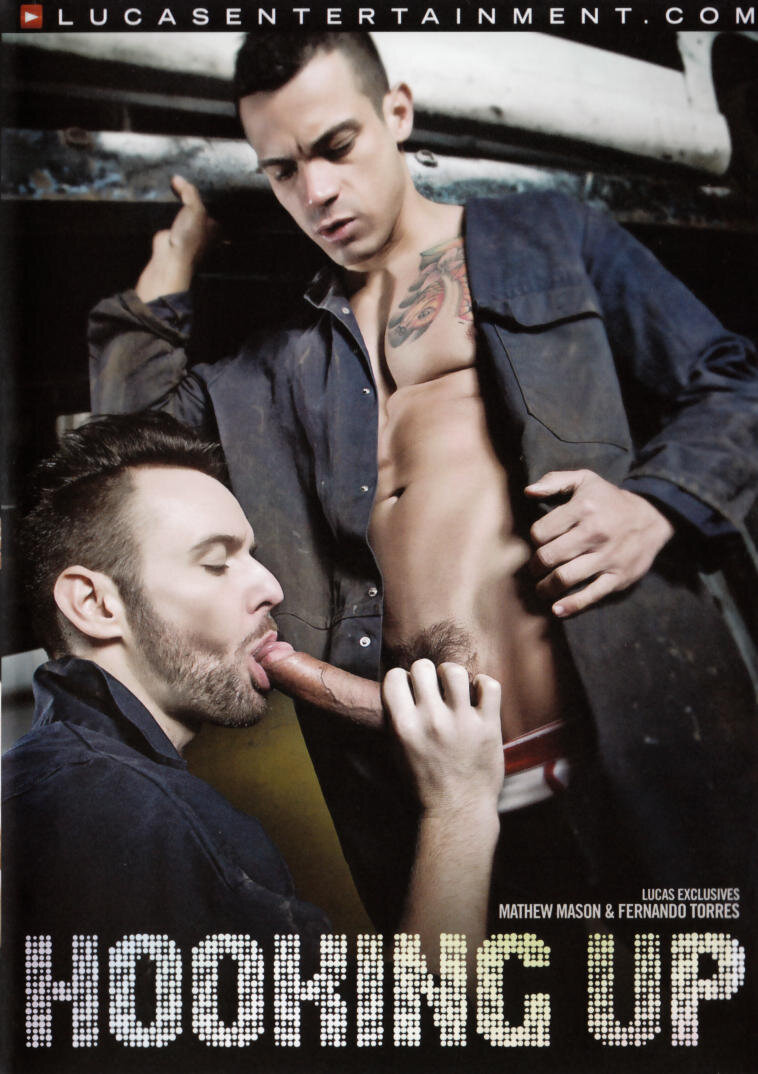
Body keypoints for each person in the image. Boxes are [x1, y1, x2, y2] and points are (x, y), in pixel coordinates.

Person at [88, 32, 758, 929]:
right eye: (282, 169)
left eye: (336, 147)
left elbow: (732, 382)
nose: (316, 192)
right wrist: (169, 274)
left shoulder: (552, 237)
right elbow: (123, 466)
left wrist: (658, 506)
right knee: (490, 1017)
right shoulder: (269, 365)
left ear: (396, 112)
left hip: (643, 754)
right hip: (433, 811)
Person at [1, 412, 504, 1068]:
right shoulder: (120, 807)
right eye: (216, 563)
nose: (270, 587)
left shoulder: (70, 777)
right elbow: (408, 1047)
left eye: (254, 557)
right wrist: (461, 803)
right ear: (96, 605)